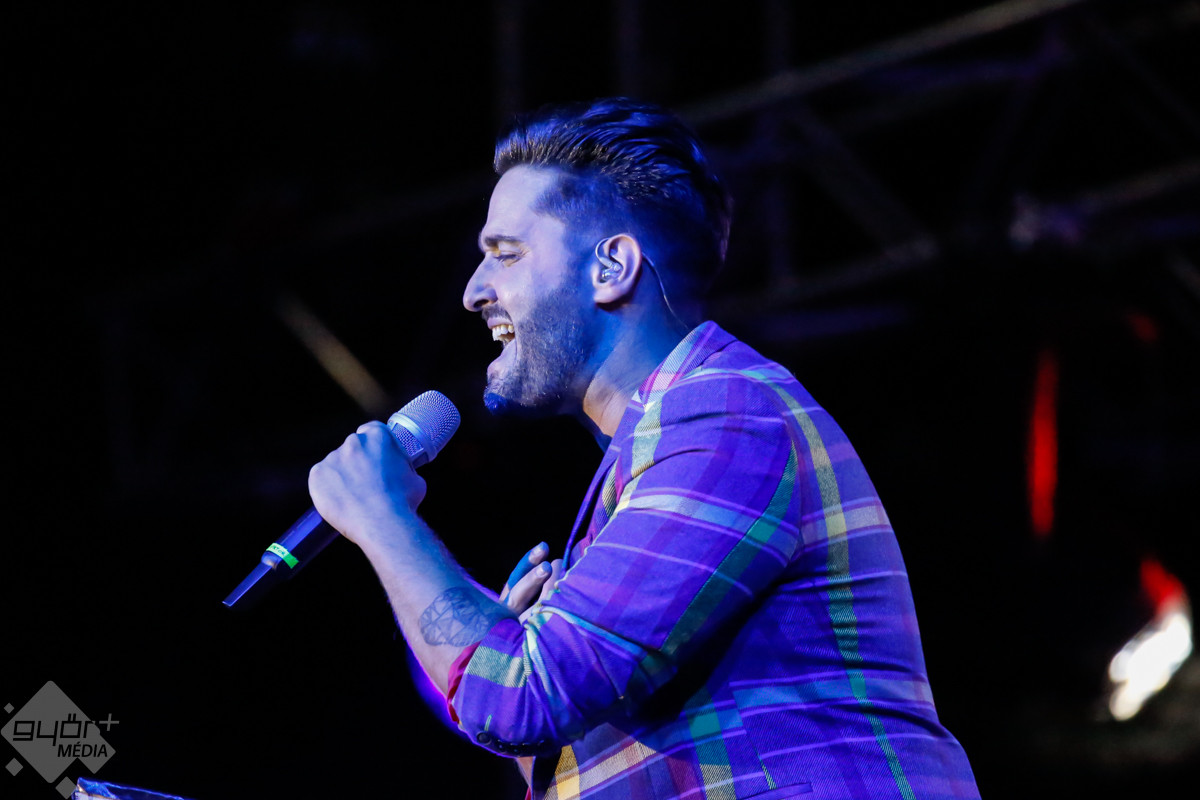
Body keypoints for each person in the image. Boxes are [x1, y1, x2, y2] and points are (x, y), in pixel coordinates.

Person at [308, 97, 980, 799]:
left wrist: (381, 517)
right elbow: (551, 736)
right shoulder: (647, 464)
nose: (475, 291)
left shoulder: (724, 415)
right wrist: (507, 642)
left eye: (505, 254)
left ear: (611, 268)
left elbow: (522, 699)